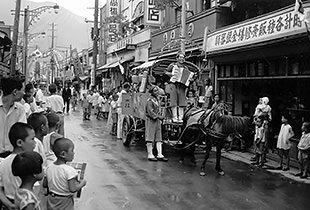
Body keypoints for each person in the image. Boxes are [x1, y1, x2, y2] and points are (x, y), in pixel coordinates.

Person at [0, 122, 36, 210]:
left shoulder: (3, 163)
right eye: (32, 139)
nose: (35, 142)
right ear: (20, 142)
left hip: (10, 203)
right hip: (27, 203)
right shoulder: (28, 162)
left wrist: (9, 205)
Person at [46, 138, 87, 210]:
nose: (73, 153)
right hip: (65, 201)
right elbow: (73, 189)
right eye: (72, 150)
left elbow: (45, 184)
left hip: (51, 199)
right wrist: (82, 183)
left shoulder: (49, 167)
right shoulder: (69, 170)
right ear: (63, 154)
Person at [0, 75, 27, 158]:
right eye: (23, 90)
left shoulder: (20, 110)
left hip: (12, 157)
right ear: (15, 92)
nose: (24, 93)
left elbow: (22, 133)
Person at [166, 52, 194, 123]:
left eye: (183, 57)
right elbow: (165, 72)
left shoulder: (185, 67)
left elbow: (188, 76)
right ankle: (175, 117)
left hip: (182, 86)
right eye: (180, 57)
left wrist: (190, 80)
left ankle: (180, 117)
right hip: (173, 84)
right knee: (174, 101)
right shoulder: (172, 65)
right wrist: (171, 75)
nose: (182, 59)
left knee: (182, 101)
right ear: (177, 58)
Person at [145, 86, 168, 162]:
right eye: (155, 91)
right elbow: (150, 112)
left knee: (159, 137)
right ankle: (150, 154)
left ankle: (159, 154)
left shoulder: (156, 100)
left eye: (157, 91)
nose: (157, 92)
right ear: (152, 92)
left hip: (157, 121)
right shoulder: (150, 101)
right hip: (151, 120)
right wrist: (159, 117)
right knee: (150, 137)